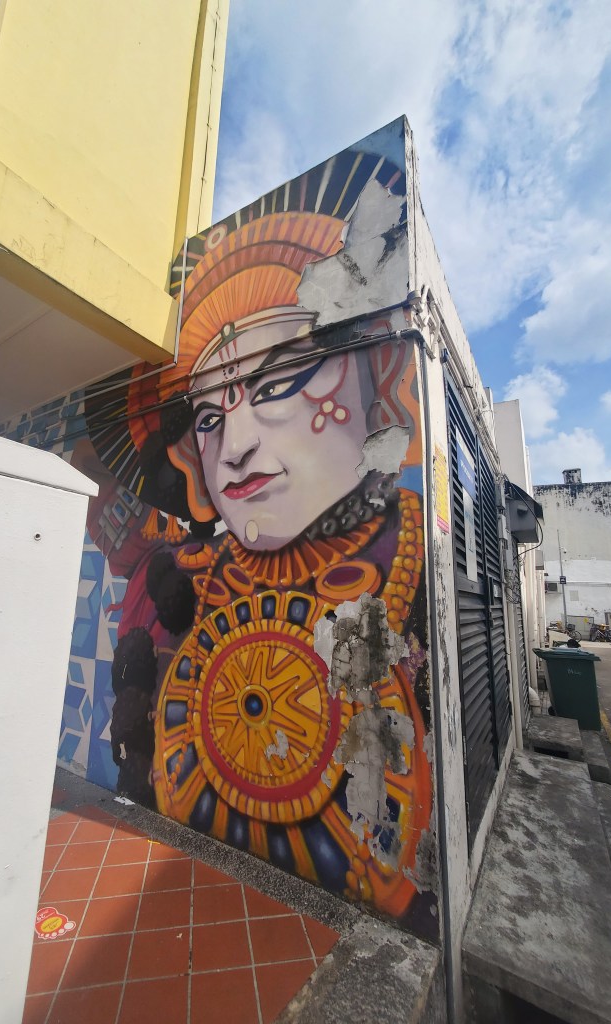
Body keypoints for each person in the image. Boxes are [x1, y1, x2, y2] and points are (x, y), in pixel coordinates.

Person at [86, 179, 432, 923]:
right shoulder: (191, 579)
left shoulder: (414, 563)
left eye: (276, 383)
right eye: (210, 416)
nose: (236, 446)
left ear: (376, 373)